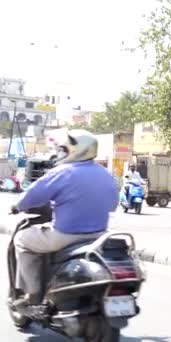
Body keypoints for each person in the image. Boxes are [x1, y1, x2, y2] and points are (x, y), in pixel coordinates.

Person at [10, 129, 118, 310]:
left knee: (22, 239)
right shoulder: (105, 174)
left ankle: (33, 292)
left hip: (66, 236)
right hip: (99, 235)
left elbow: (33, 195)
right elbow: (113, 205)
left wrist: (17, 206)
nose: (61, 153)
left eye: (64, 149)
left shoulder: (63, 172)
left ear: (76, 150)